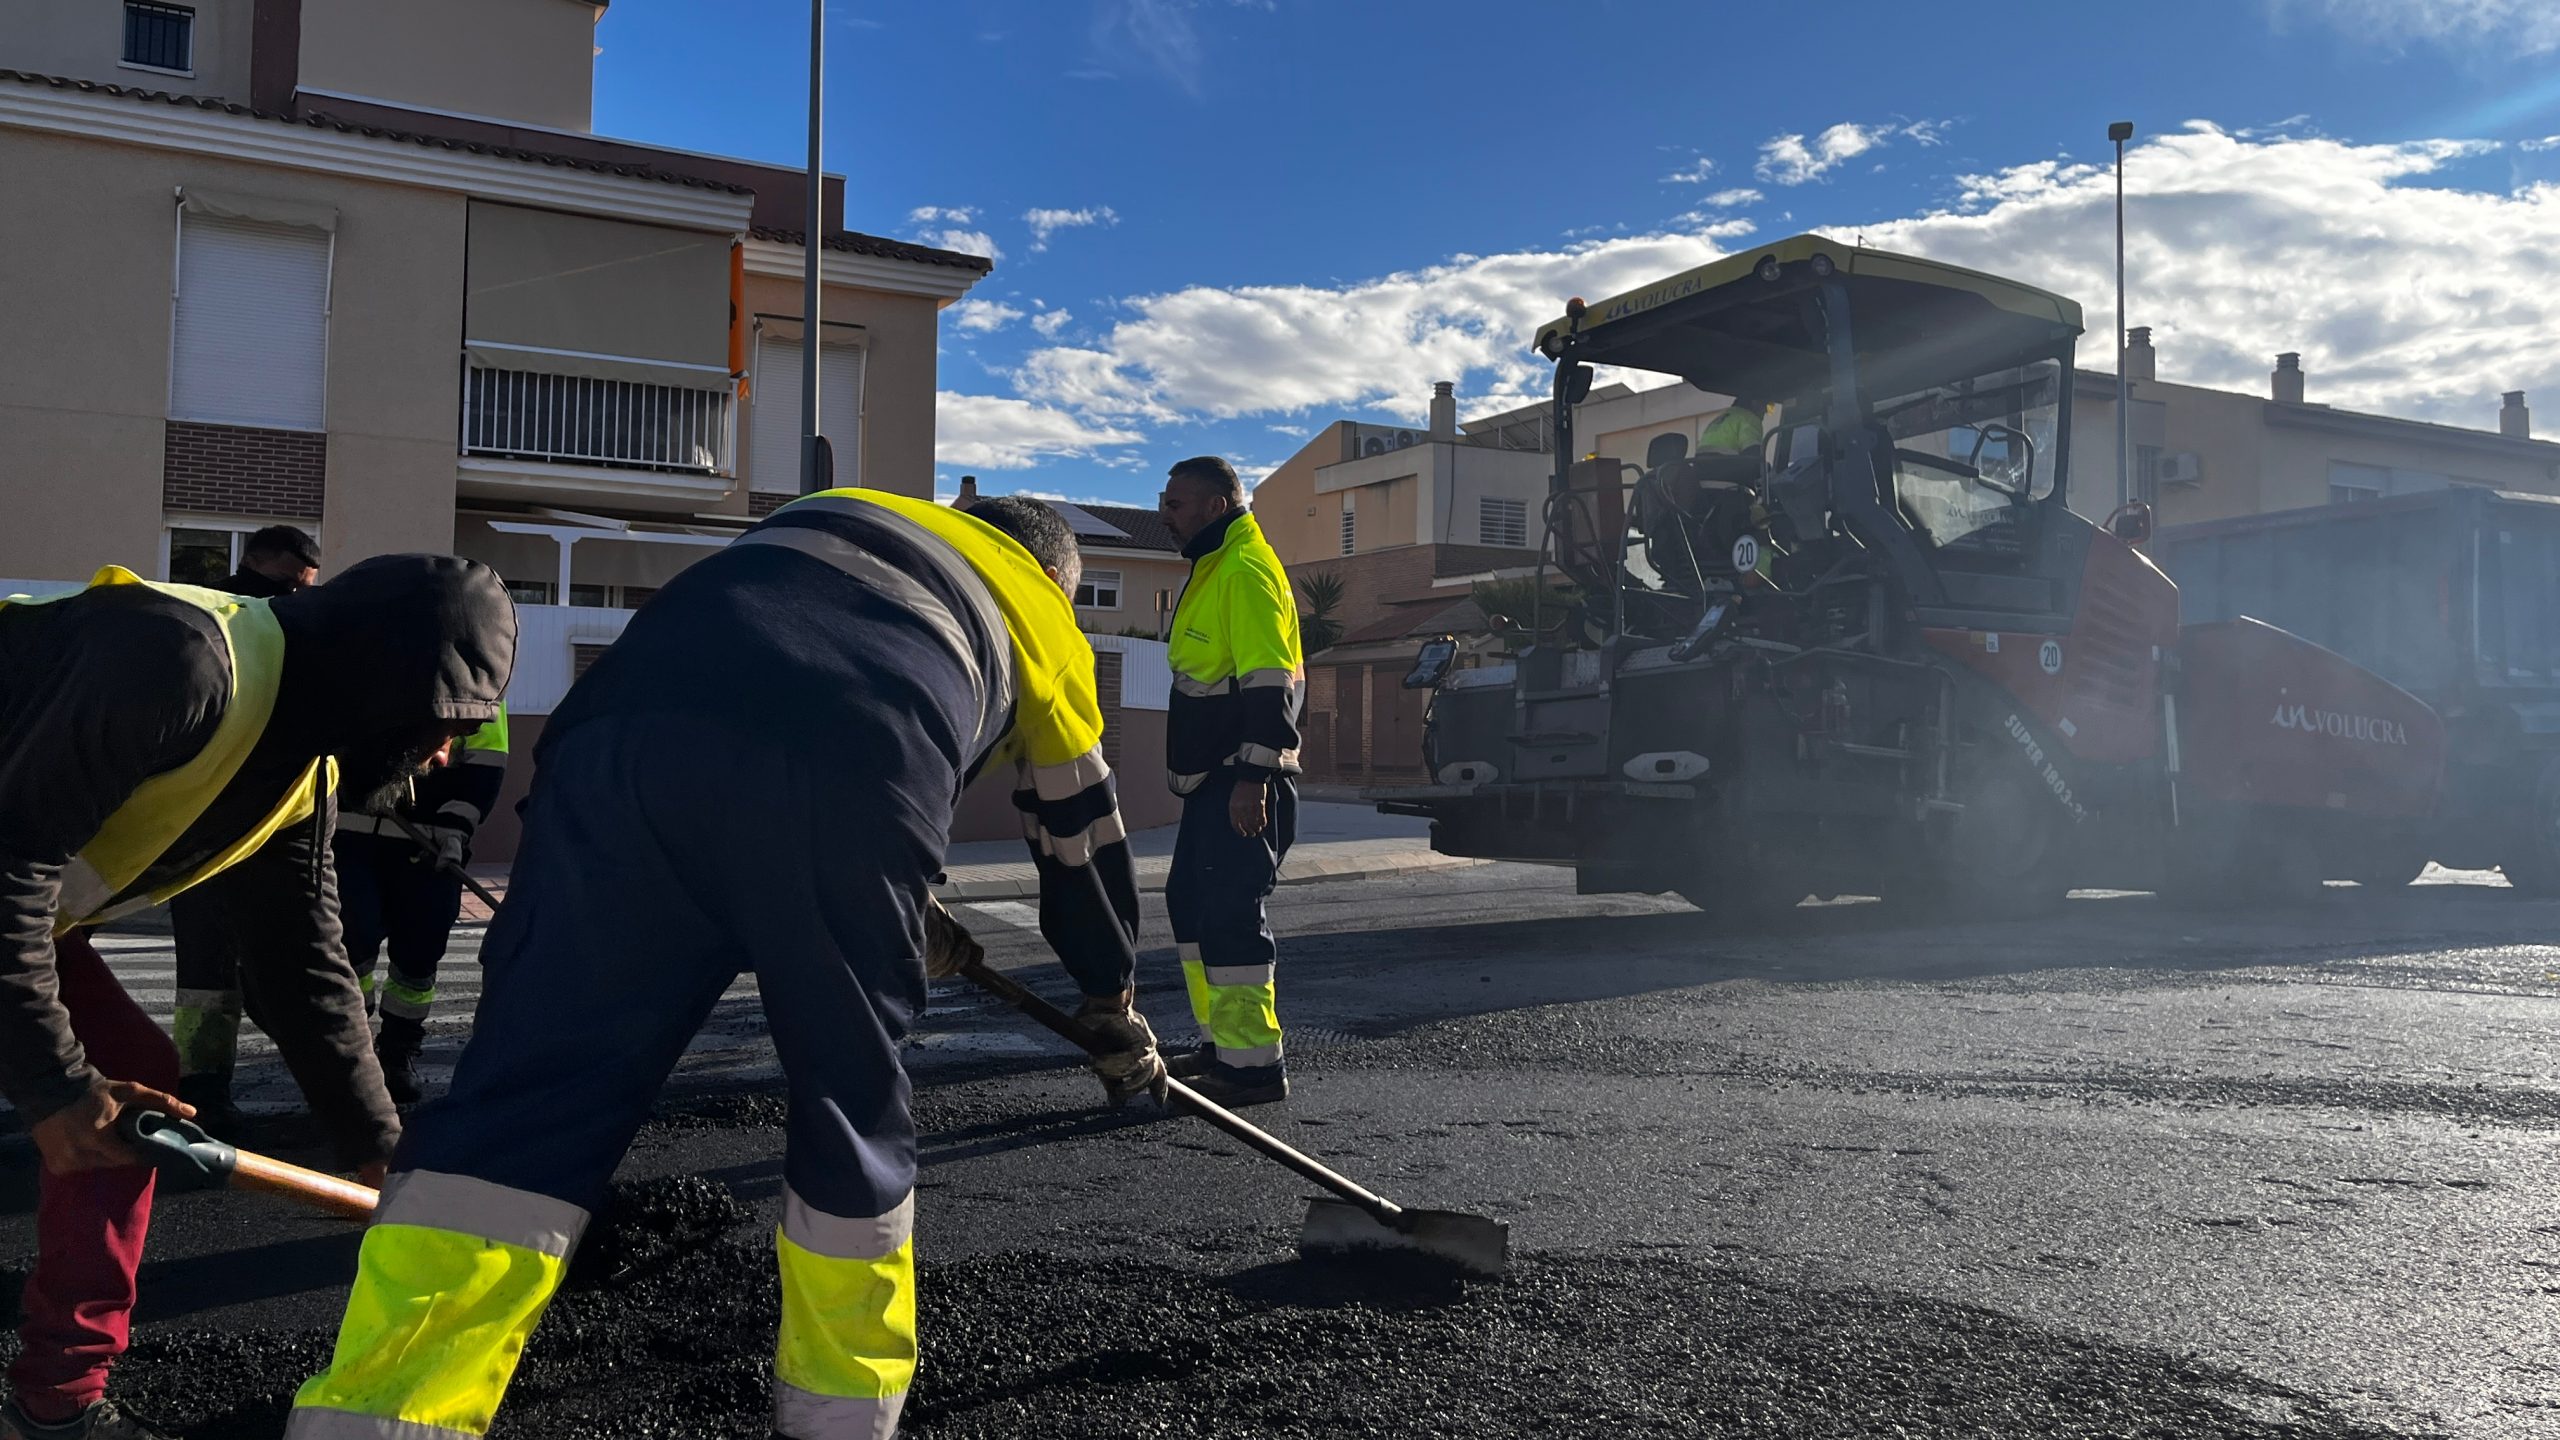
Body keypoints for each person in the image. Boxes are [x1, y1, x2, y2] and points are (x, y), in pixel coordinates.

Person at [288, 490, 1163, 1440]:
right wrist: (1109, 995)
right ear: (1057, 581)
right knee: (847, 1094)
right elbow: (1078, 840)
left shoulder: (833, 511)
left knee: (527, 1094)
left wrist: (902, 890)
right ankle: (836, 1418)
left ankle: (377, 1416)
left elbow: (759, 670)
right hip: (847, 767)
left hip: (610, 751)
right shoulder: (1037, 616)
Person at [0, 555, 515, 1440]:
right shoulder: (182, 662)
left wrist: (377, 1146)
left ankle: (58, 1399)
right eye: (440, 725)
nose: (440, 755)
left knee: (130, 1079)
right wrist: (52, 1089)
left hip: (28, 909)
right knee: (82, 1088)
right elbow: (6, 866)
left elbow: (300, 966)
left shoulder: (298, 768)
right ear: (379, 686)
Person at [1154, 455, 1305, 1107]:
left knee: (1229, 915)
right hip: (1216, 783)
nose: (1167, 513)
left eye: (1178, 502)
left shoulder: (1242, 570)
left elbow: (1270, 682)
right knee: (1191, 904)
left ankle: (1254, 1069)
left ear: (1217, 506)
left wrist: (1254, 778)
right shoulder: (1217, 566)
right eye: (1165, 500)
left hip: (1240, 784)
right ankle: (1223, 1046)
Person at [168, 524, 325, 1134]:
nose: (290, 593)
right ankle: (211, 1089)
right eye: (287, 579)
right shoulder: (247, 621)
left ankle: (206, 1089)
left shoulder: (210, 616)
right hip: (224, 825)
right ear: (256, 559)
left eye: (301, 585)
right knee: (236, 967)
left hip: (223, 824)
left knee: (213, 971)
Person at [333, 702, 510, 1104]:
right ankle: (355, 1052)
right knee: (350, 937)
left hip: (429, 843)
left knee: (419, 954)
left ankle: (398, 1052)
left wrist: (457, 826)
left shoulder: (483, 679)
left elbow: (487, 759)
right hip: (351, 836)